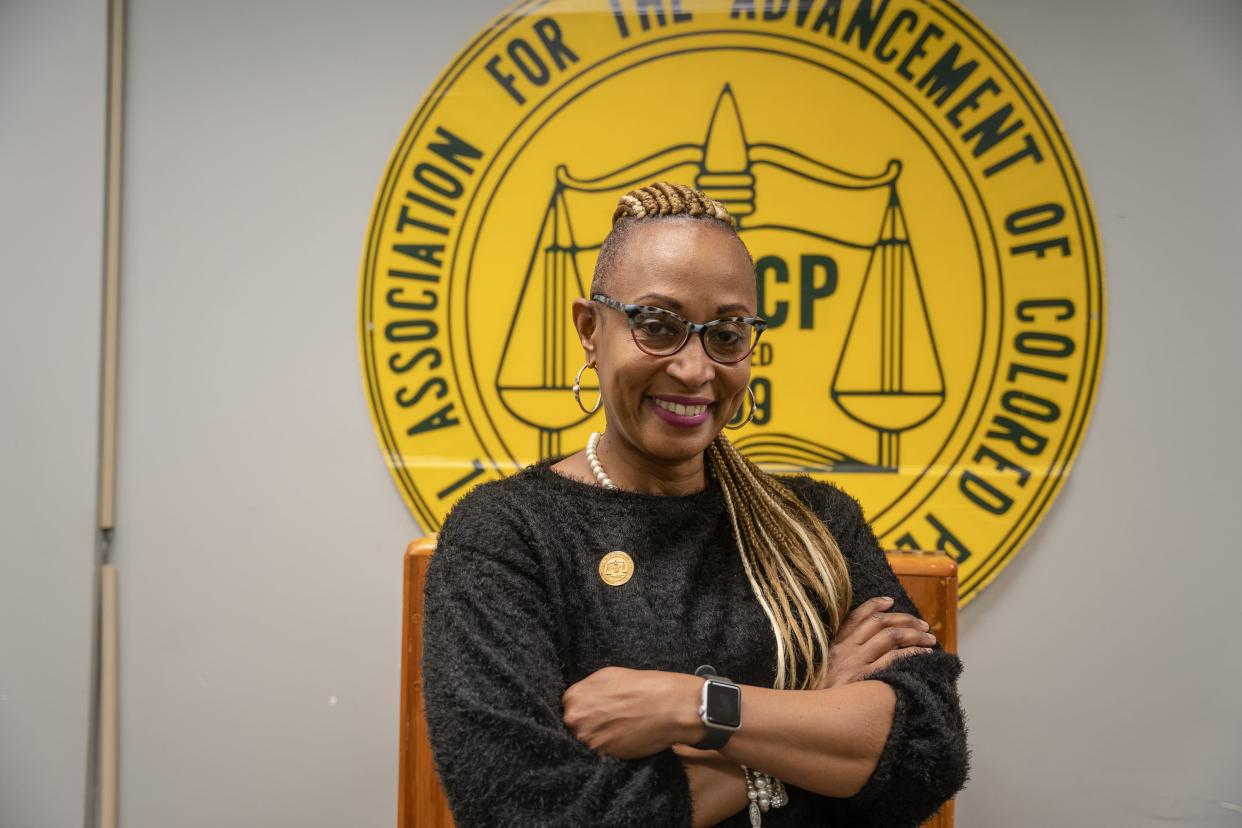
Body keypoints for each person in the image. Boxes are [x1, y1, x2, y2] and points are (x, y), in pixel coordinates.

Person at [421, 182, 970, 827]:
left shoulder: (815, 524)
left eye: (727, 334)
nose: (694, 369)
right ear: (590, 330)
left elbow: (928, 753)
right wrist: (806, 714)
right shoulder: (505, 536)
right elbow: (529, 813)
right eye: (657, 326)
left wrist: (690, 706)